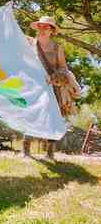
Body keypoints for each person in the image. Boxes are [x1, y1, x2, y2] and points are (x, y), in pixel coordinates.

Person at [23, 16, 81, 160]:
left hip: (52, 88)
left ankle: (49, 153)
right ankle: (26, 151)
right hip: (34, 87)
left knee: (53, 118)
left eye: (46, 27)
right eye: (41, 26)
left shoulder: (57, 48)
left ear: (52, 31)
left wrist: (54, 77)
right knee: (30, 115)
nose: (42, 29)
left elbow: (63, 69)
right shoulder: (29, 43)